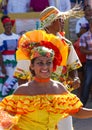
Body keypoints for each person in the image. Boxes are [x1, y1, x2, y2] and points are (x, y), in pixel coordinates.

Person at [1, 29, 92, 130]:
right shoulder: (23, 91)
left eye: (48, 62)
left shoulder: (59, 88)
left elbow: (77, 111)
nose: (45, 67)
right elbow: (6, 119)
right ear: (31, 66)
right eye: (40, 63)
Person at [0, 15, 20, 100]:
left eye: (9, 25)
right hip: (4, 61)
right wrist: (2, 67)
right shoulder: (1, 37)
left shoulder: (17, 37)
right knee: (5, 80)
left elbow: (19, 51)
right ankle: (4, 100)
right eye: (6, 25)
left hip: (14, 62)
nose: (8, 26)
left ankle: (13, 99)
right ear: (4, 26)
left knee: (14, 79)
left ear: (12, 25)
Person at [73, 23, 89, 97]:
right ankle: (80, 95)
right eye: (81, 28)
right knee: (80, 79)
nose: (81, 30)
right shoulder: (78, 39)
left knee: (87, 80)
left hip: (85, 62)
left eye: (83, 28)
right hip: (78, 63)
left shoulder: (87, 38)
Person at [79, 17, 92, 106]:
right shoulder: (84, 36)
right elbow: (82, 50)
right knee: (87, 82)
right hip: (90, 62)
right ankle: (82, 104)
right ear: (90, 25)